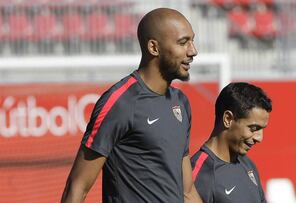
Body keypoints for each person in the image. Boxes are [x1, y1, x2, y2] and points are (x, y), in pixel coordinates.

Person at [61, 8, 203, 203]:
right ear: (154, 48)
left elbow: (187, 192)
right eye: (183, 42)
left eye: (192, 41)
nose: (193, 51)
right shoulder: (120, 102)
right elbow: (77, 186)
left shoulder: (180, 102)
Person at [191, 82, 272, 203]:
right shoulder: (199, 173)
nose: (259, 138)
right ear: (228, 119)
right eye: (254, 128)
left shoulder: (248, 164)